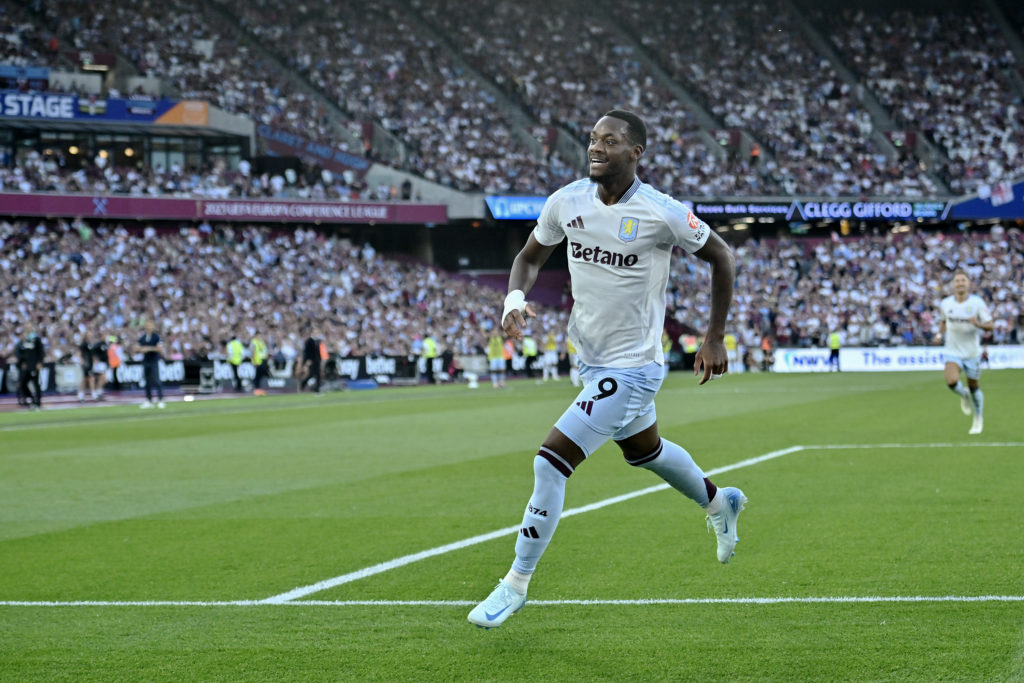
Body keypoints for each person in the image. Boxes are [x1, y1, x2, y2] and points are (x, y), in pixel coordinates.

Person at [468, 110, 745, 629]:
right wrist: (513, 298)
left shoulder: (661, 212)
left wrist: (713, 336)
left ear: (635, 152)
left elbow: (723, 256)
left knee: (550, 462)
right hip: (590, 360)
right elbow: (529, 257)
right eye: (593, 139)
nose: (596, 147)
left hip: (635, 367)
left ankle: (515, 584)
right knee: (648, 453)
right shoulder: (566, 201)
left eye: (610, 141)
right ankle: (718, 501)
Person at [938, 270, 993, 435]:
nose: (960, 283)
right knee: (951, 380)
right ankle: (963, 394)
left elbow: (990, 325)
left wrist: (978, 324)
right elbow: (943, 322)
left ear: (968, 284)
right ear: (953, 285)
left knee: (974, 385)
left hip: (971, 352)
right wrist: (939, 334)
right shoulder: (946, 304)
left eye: (963, 280)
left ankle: (978, 417)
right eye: (957, 281)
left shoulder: (977, 303)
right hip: (952, 350)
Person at [137, 319, 165, 409]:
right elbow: (136, 348)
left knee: (157, 380)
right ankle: (149, 400)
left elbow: (160, 349)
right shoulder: (143, 337)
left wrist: (148, 349)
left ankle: (160, 400)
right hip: (146, 361)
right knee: (147, 382)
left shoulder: (156, 337)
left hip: (153, 361)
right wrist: (142, 349)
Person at [16, 325, 45, 410]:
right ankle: (32, 399)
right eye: (26, 328)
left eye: (29, 328)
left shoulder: (36, 339)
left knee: (36, 384)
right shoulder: (24, 340)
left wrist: (40, 362)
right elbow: (22, 353)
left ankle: (38, 402)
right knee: (22, 383)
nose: (27, 329)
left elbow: (41, 352)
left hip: (34, 365)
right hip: (27, 366)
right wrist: (22, 362)